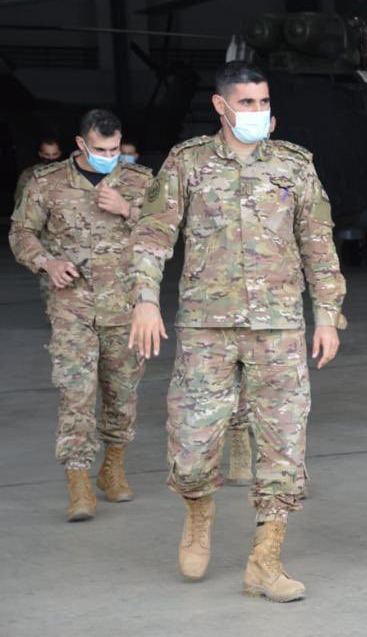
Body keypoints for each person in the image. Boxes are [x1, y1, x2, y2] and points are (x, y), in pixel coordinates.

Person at [128, 60, 347, 602]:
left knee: (284, 441)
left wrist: (327, 316)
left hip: (279, 327)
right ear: (221, 107)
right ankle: (198, 515)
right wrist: (145, 300)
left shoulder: (295, 166)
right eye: (246, 103)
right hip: (208, 326)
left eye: (264, 102)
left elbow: (318, 245)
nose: (257, 112)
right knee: (193, 442)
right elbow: (155, 234)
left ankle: (265, 559)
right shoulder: (188, 163)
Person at [9, 110, 151, 522]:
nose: (110, 156)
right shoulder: (46, 183)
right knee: (76, 394)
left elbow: (168, 232)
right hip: (72, 306)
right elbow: (21, 233)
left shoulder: (139, 182)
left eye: (115, 149)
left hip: (125, 307)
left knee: (122, 394)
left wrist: (128, 210)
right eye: (101, 149)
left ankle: (113, 468)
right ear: (81, 144)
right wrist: (46, 262)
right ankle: (78, 483)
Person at [14, 137, 62, 210]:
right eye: (47, 155)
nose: (51, 158)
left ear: (60, 153)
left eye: (55, 154)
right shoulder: (29, 174)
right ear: (40, 154)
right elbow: (20, 198)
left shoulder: (70, 171)